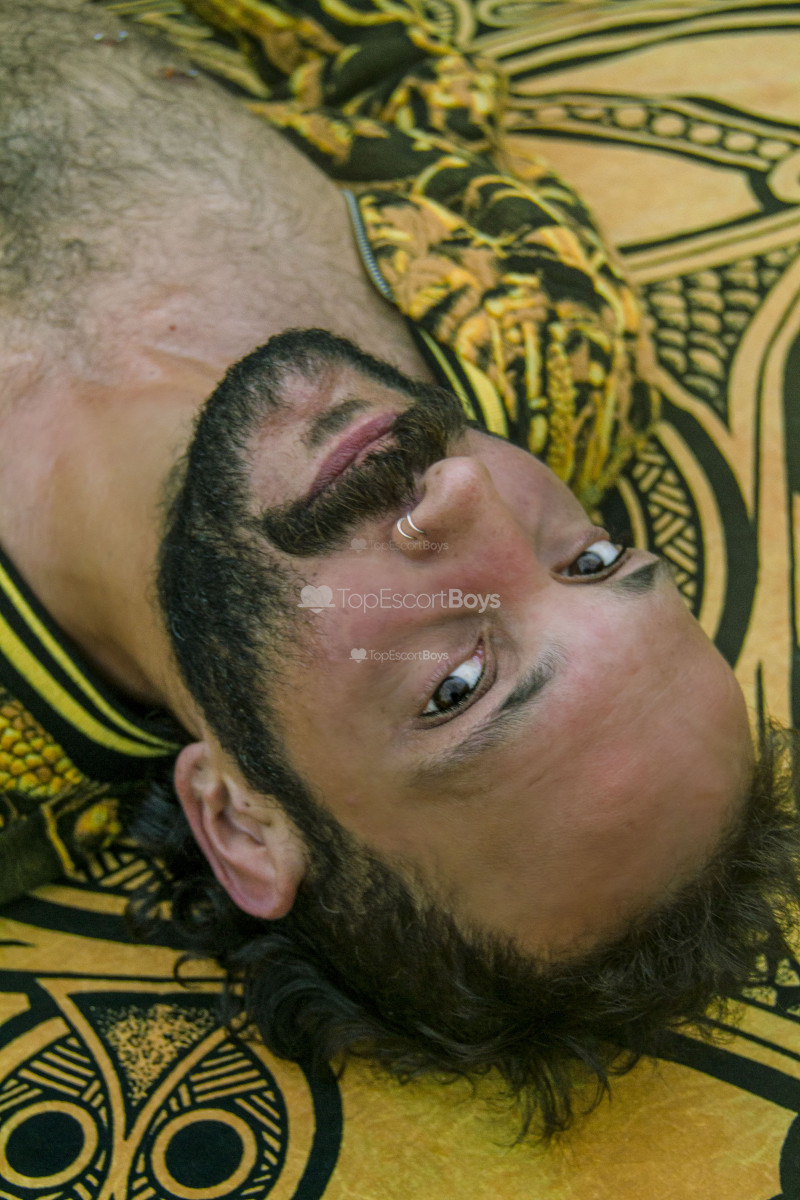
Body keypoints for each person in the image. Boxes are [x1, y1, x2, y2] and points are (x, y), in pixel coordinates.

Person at [1, 0, 798, 1141]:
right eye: (591, 558)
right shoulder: (532, 330)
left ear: (242, 818)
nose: (467, 489)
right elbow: (384, 61)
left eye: (457, 688)